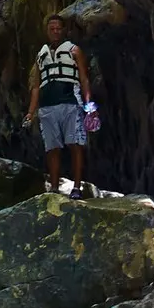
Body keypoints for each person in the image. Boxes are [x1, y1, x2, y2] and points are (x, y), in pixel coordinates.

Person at [26, 14, 94, 199]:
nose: (55, 31)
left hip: (70, 103)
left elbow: (84, 79)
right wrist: (31, 112)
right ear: (47, 31)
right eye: (51, 28)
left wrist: (90, 106)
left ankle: (77, 188)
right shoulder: (41, 56)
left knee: (75, 145)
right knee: (52, 148)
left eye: (58, 28)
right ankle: (54, 189)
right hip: (47, 107)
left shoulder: (74, 51)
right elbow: (36, 86)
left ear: (64, 30)